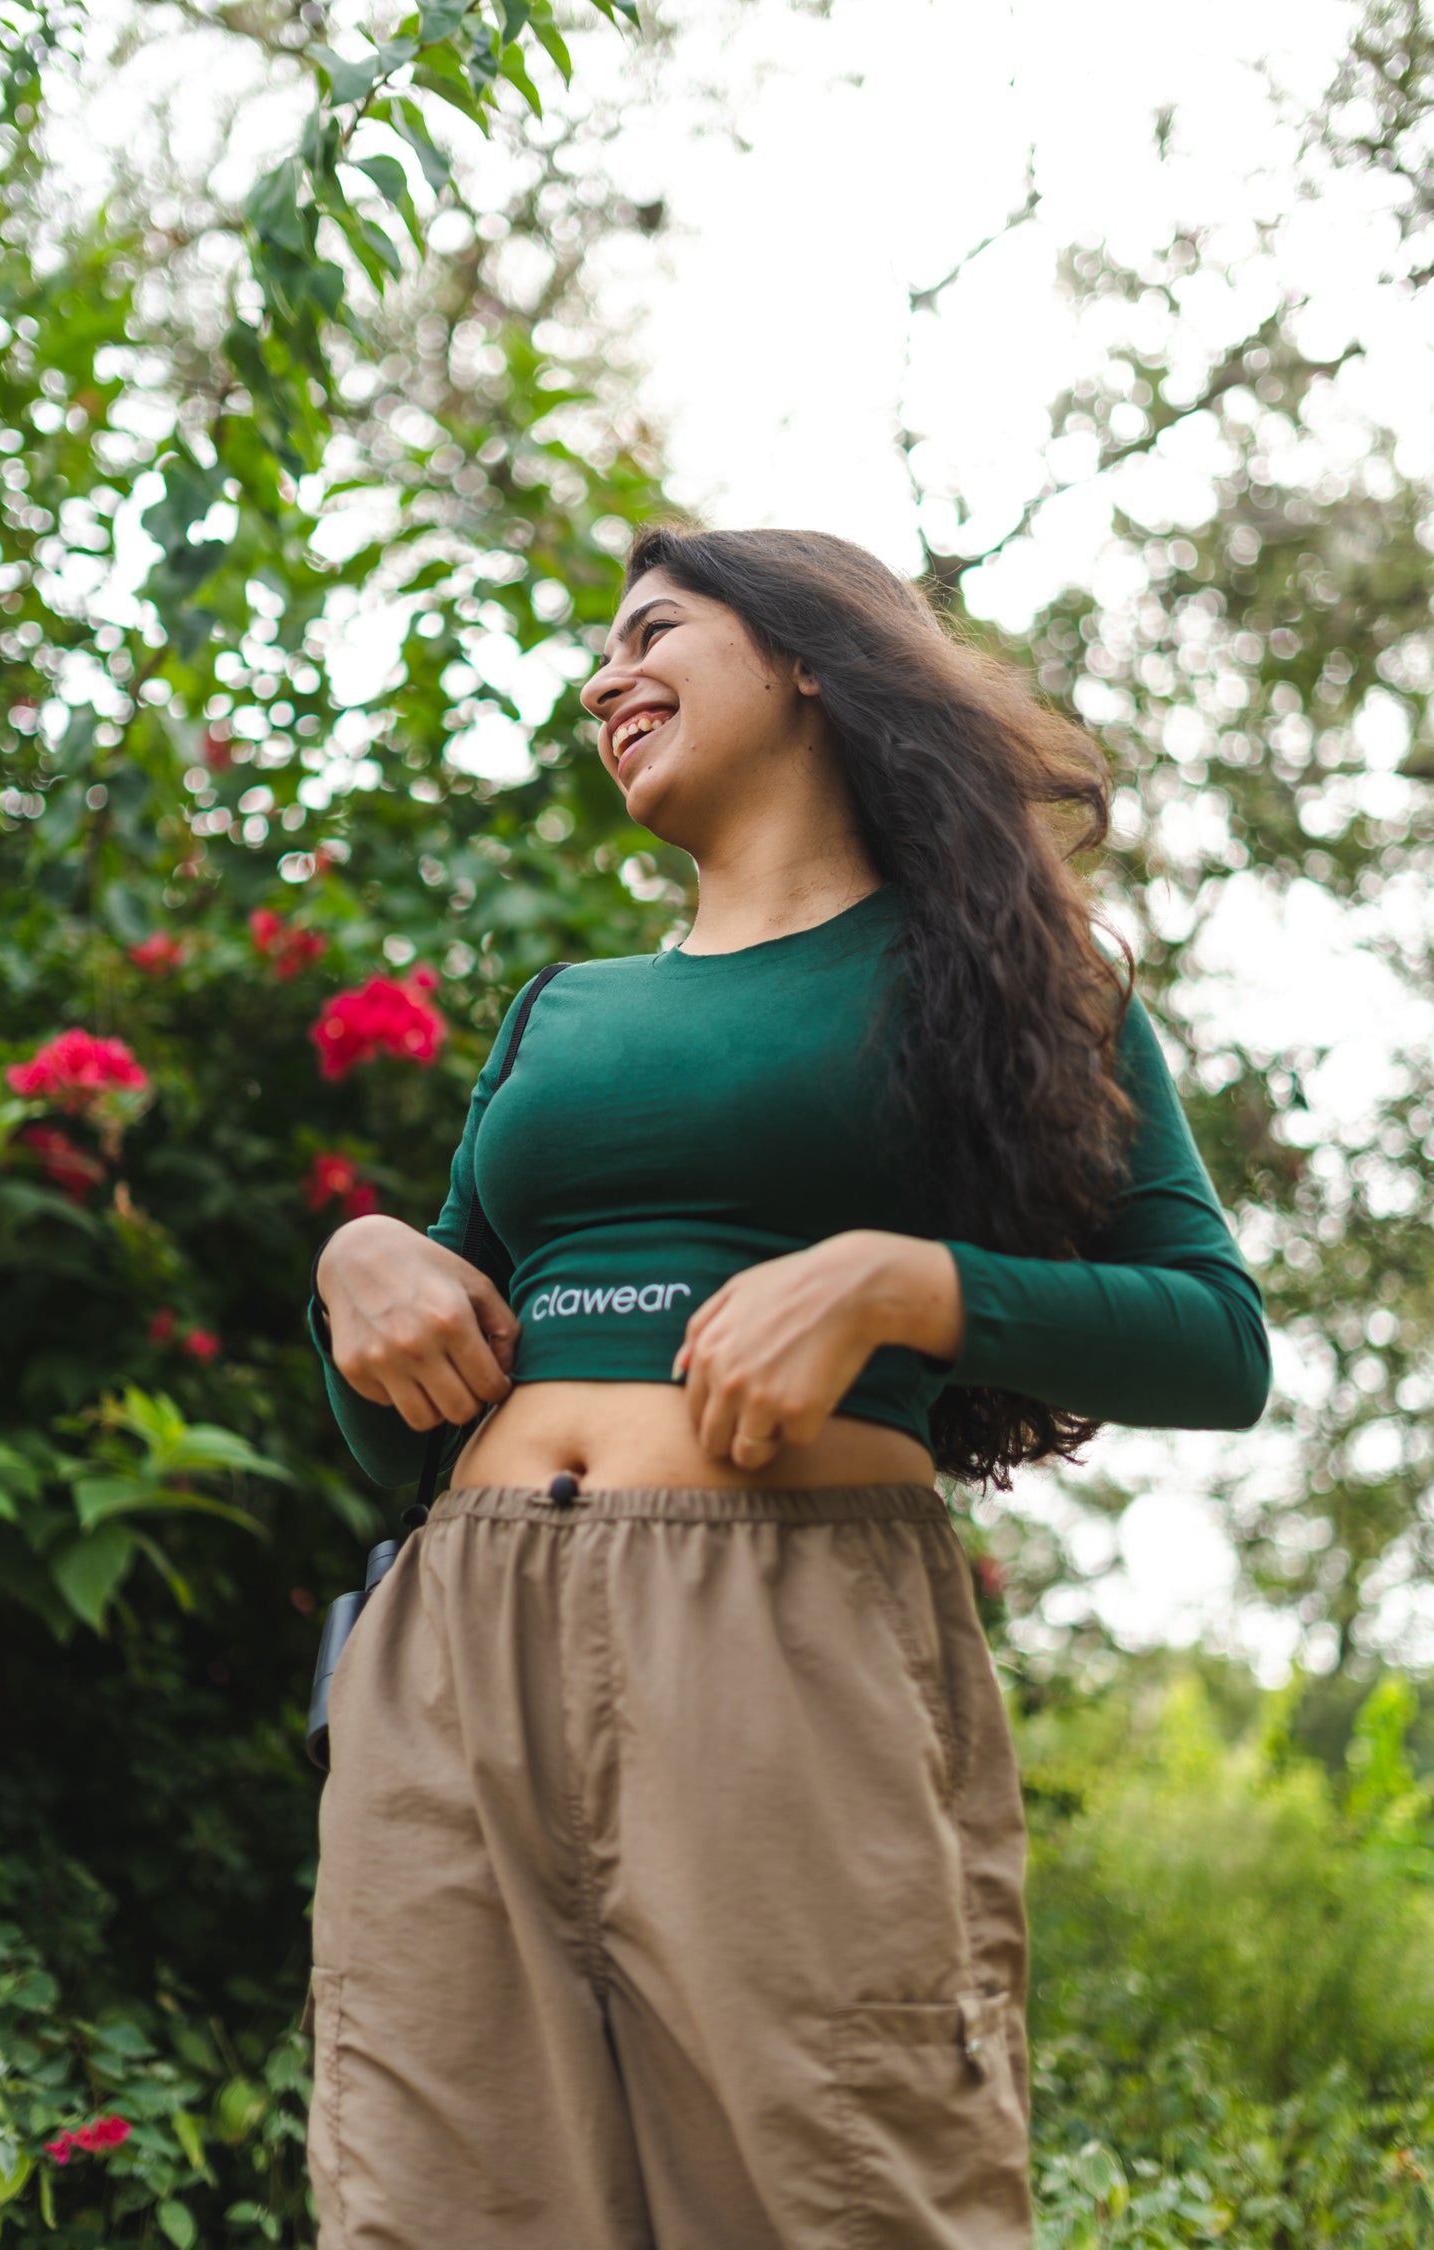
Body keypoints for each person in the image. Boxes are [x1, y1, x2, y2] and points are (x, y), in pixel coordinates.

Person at [304, 524, 1270, 2250]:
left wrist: (905, 1284)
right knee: (439, 2202)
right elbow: (406, 1401)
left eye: (655, 630)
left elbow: (1213, 1336)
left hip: (785, 1626)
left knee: (839, 2191)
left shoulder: (1017, 983)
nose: (606, 676)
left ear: (815, 658)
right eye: (600, 654)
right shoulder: (560, 1013)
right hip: (459, 1639)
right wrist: (360, 1264)